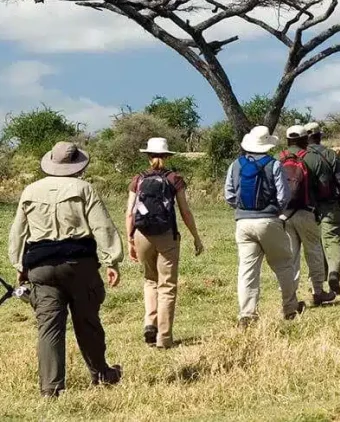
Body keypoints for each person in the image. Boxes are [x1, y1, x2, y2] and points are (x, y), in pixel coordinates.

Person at [8, 142, 123, 398]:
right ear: (77, 165)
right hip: (78, 265)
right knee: (87, 322)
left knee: (49, 327)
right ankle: (101, 374)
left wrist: (19, 265)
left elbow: (18, 232)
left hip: (41, 267)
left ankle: (51, 389)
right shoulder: (84, 189)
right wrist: (111, 261)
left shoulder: (31, 190)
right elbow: (102, 226)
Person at [125, 137, 204, 349]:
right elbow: (185, 211)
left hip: (142, 234)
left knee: (150, 280)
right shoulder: (174, 178)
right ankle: (164, 338)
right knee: (167, 286)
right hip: (167, 235)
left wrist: (130, 239)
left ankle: (149, 322)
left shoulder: (138, 179)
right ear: (167, 156)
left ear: (148, 156)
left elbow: (130, 212)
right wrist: (195, 236)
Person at [225, 126, 304, 323]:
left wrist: (242, 208)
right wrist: (275, 211)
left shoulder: (236, 164)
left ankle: (247, 313)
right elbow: (283, 195)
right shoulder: (274, 164)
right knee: (284, 264)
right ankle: (290, 308)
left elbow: (229, 195)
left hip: (243, 223)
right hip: (269, 220)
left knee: (247, 270)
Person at [279, 126, 336, 306]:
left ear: (287, 141)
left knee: (290, 256)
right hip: (307, 212)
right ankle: (318, 292)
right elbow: (324, 188)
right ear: (305, 140)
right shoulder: (313, 158)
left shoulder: (278, 158)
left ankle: (290, 296)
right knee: (313, 251)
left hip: (284, 215)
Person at [304, 121, 340, 296]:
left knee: (314, 245)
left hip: (306, 208)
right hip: (330, 205)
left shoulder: (301, 156)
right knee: (332, 240)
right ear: (319, 136)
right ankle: (334, 272)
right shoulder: (330, 155)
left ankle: (317, 282)